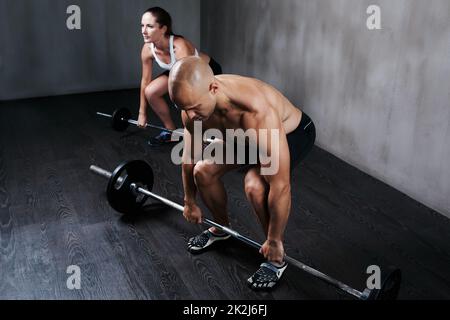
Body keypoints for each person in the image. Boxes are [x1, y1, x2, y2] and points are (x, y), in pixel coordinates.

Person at [168, 57, 316, 290]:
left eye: (195, 108)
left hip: (291, 132)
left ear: (213, 88)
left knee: (255, 185)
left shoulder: (254, 111)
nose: (190, 115)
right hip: (244, 137)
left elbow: (281, 186)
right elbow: (190, 156)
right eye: (183, 108)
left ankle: (275, 257)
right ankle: (221, 228)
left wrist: (275, 238)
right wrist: (189, 200)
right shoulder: (192, 107)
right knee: (203, 171)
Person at [138, 7, 223, 145]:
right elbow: (145, 81)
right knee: (150, 92)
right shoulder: (147, 49)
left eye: (149, 26)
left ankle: (207, 135)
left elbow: (188, 83)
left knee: (194, 106)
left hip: (205, 71)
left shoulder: (179, 46)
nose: (143, 31)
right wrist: (142, 113)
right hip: (179, 72)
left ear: (163, 29)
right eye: (142, 25)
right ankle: (171, 132)